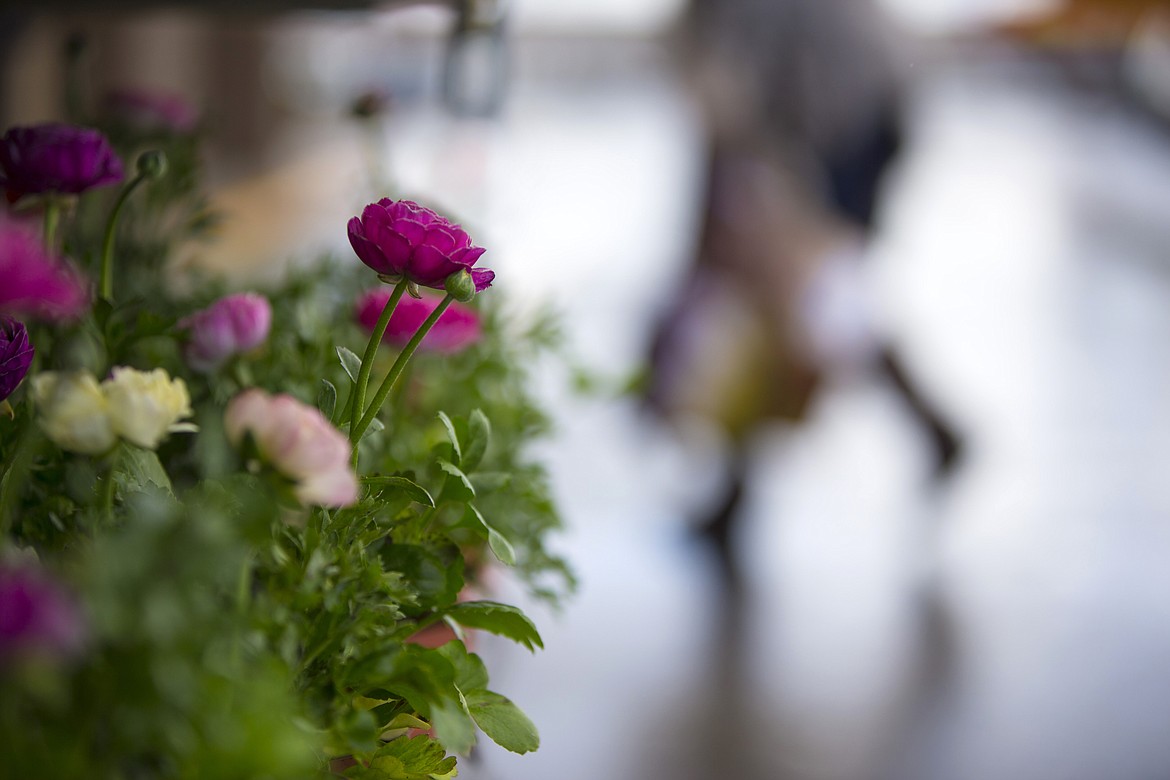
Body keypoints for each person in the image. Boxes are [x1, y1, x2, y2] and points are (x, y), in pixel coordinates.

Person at [646, 0, 962, 587]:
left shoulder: (728, 29)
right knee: (788, 291)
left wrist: (699, 255)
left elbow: (736, 125)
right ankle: (736, 492)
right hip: (856, 101)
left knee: (809, 291)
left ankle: (935, 430)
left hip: (842, 115)